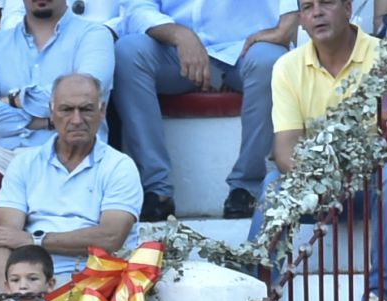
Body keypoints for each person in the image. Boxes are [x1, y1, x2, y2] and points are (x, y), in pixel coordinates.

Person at [112, 0, 294, 220]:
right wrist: (179, 34)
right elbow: (138, 7)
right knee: (126, 52)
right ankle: (157, 190)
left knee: (270, 61)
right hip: (175, 52)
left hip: (245, 47)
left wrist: (289, 20)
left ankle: (247, 187)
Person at [266, 0, 387, 301]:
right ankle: (257, 295)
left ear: (347, 8)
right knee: (272, 185)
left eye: (327, 3)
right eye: (308, 7)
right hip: (317, 188)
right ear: (301, 19)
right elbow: (285, 150)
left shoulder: (384, 55)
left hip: (368, 185)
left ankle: (381, 292)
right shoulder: (287, 67)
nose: (317, 13)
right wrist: (322, 179)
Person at [0, 71, 138, 283]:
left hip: (95, 285)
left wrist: (35, 240)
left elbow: (110, 237)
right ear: (51, 112)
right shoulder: (24, 164)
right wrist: (1, 287)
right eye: (67, 109)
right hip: (30, 285)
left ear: (102, 110)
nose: (76, 120)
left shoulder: (119, 166)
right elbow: (4, 237)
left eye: (86, 109)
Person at [0, 0, 112, 172]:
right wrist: (41, 122)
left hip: (69, 154)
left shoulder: (94, 35)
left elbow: (81, 97)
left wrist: (14, 100)